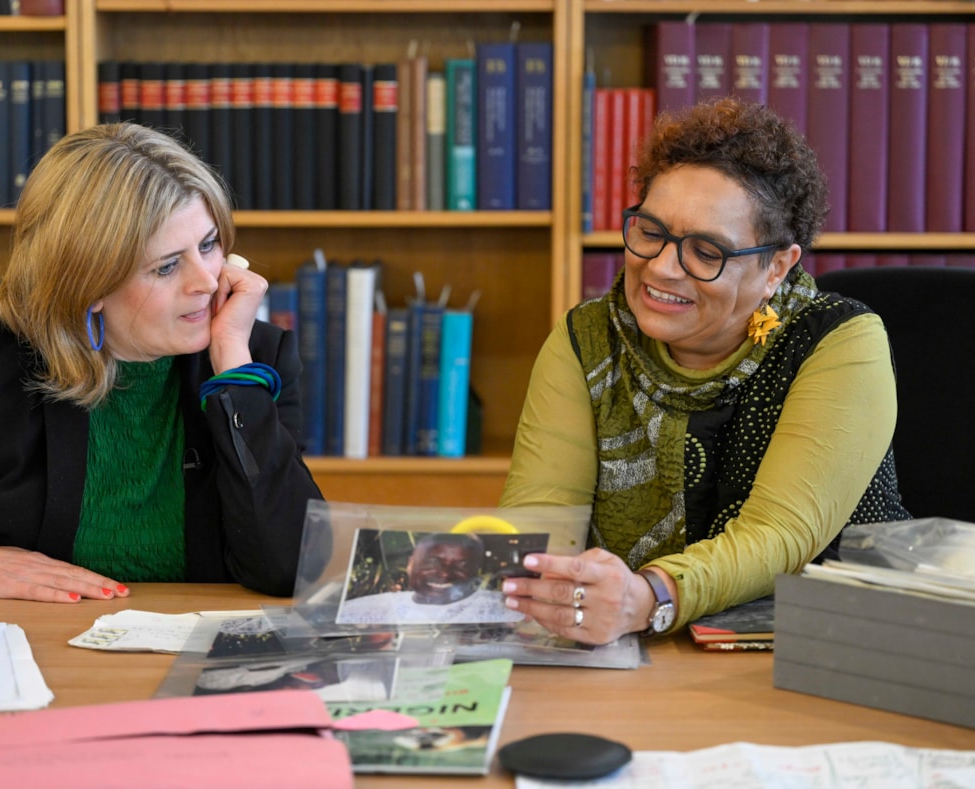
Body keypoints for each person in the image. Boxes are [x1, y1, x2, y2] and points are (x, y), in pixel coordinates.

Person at [0, 123, 322, 602]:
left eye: (208, 245)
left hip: (194, 675)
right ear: (88, 286)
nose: (207, 282)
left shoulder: (254, 362)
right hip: (32, 669)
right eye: (165, 267)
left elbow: (291, 568)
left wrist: (233, 372)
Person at [498, 98, 908, 645]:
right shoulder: (586, 339)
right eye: (650, 231)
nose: (662, 267)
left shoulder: (838, 342)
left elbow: (778, 535)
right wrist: (546, 584)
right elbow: (541, 526)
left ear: (777, 267)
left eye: (706, 250)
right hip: (630, 650)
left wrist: (651, 596)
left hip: (828, 648)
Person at [336, 533, 520, 625]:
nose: (445, 573)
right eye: (432, 562)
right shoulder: (363, 611)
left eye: (462, 565)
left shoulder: (506, 611)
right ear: (410, 564)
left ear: (477, 570)